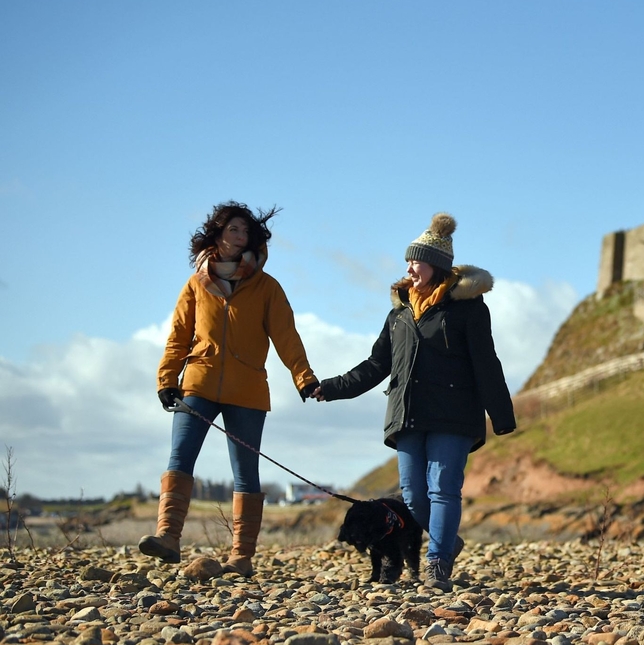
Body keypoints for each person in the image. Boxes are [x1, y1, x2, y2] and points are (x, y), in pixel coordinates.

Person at [311, 213, 515, 590]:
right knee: (413, 495)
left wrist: (501, 414)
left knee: (442, 488)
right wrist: (333, 387)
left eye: (416, 260)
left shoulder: (469, 310)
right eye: (408, 260)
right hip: (407, 416)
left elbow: (486, 363)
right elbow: (376, 365)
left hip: (454, 415)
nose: (409, 267)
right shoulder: (399, 314)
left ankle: (438, 562)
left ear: (436, 266)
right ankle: (447, 541)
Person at [139, 201, 319, 575]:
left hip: (248, 390)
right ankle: (168, 538)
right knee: (180, 459)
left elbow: (286, 336)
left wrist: (303, 376)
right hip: (198, 384)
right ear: (218, 234)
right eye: (233, 230)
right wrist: (167, 380)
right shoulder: (196, 284)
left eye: (245, 232)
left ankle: (241, 557)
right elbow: (178, 337)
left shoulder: (267, 287)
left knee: (246, 474)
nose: (239, 237)